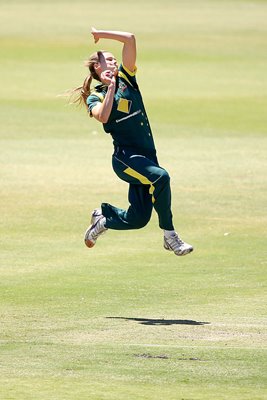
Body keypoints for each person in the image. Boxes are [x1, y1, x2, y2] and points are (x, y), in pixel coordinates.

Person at [74, 27, 193, 256]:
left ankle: (103, 220)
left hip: (146, 157)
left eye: (114, 58)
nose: (114, 61)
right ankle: (170, 236)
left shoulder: (127, 77)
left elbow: (129, 39)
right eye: (109, 59)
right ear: (98, 67)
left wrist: (101, 33)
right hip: (125, 159)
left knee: (138, 219)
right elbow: (104, 116)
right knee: (161, 177)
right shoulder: (95, 96)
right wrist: (110, 88)